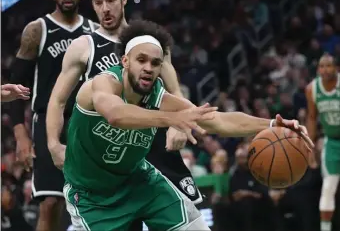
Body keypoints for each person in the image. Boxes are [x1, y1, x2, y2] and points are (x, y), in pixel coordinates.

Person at [62, 19, 313, 231]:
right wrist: (171, 119)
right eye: (141, 60)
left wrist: (271, 124)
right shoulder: (102, 84)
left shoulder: (158, 96)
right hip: (91, 198)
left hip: (139, 182)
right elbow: (115, 114)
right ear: (125, 61)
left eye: (155, 63)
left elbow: (218, 119)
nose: (148, 68)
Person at [46, 0, 202, 229]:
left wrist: (176, 125)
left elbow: (175, 92)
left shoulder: (151, 42)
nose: (105, 8)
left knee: (187, 219)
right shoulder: (83, 46)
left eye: (110, 0)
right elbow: (57, 100)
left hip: (152, 140)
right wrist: (53, 143)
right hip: (112, 146)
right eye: (98, 3)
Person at [9, 0, 97, 231]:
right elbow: (18, 86)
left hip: (87, 122)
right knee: (50, 202)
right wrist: (21, 135)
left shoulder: (94, 30)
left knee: (96, 200)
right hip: (49, 122)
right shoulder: (37, 30)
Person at [305, 54, 340, 231]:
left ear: (337, 69)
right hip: (332, 143)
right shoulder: (312, 89)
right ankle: (325, 228)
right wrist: (310, 146)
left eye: (329, 66)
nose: (325, 70)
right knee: (328, 187)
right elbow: (311, 118)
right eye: (321, 66)